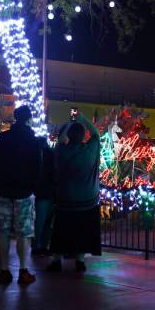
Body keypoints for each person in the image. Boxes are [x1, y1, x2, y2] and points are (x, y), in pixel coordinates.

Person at [0, 105, 41, 284]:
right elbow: (37, 167)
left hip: (4, 191)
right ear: (28, 119)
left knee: (3, 232)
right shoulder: (33, 140)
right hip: (24, 192)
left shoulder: (2, 138)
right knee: (24, 233)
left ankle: (4, 270)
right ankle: (23, 270)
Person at [47, 111, 102, 272]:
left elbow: (60, 139)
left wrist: (68, 126)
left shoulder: (61, 151)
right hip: (88, 201)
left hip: (66, 201)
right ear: (84, 135)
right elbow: (96, 135)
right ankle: (80, 261)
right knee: (83, 231)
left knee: (61, 231)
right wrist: (83, 119)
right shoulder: (90, 150)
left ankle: (56, 260)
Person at [33, 137, 56, 254]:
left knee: (40, 221)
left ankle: (38, 245)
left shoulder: (38, 155)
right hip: (50, 192)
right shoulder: (51, 154)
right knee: (47, 222)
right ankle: (43, 245)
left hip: (42, 193)